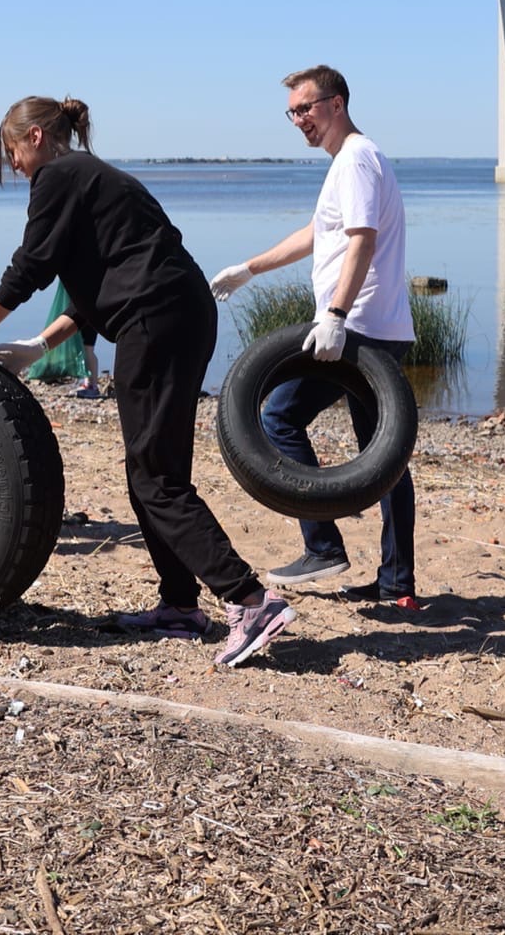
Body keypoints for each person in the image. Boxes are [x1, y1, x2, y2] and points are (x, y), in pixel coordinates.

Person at [0, 96, 294, 668]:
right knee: (154, 470)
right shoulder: (92, 176)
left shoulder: (58, 176)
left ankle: (251, 600)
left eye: (10, 150)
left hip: (156, 321)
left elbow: (30, 266)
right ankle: (180, 607)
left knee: (155, 478)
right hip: (175, 314)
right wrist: (39, 345)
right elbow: (106, 281)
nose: (12, 164)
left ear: (35, 136)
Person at [209, 64, 420, 610]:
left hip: (361, 329)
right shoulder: (348, 162)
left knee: (279, 416)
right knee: (385, 458)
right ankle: (398, 585)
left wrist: (335, 314)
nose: (298, 119)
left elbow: (362, 241)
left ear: (337, 102)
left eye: (306, 108)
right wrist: (250, 268)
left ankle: (323, 545)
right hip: (370, 327)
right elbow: (317, 234)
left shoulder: (355, 159)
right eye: (292, 111)